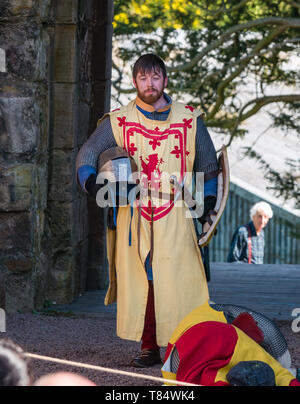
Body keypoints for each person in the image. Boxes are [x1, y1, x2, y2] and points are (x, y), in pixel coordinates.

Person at [76, 54, 219, 368]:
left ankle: (181, 348)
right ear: (134, 82)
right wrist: (93, 184)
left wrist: (208, 205)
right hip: (135, 211)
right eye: (143, 78)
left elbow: (209, 168)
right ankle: (148, 345)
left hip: (177, 210)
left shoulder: (189, 119)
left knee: (180, 279)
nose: (150, 84)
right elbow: (87, 154)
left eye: (155, 77)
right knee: (144, 279)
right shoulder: (119, 120)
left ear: (165, 80)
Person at [161, 301, 300, 386]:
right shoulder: (248, 352)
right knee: (283, 363)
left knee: (282, 364)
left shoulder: (245, 351)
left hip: (204, 331)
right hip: (198, 334)